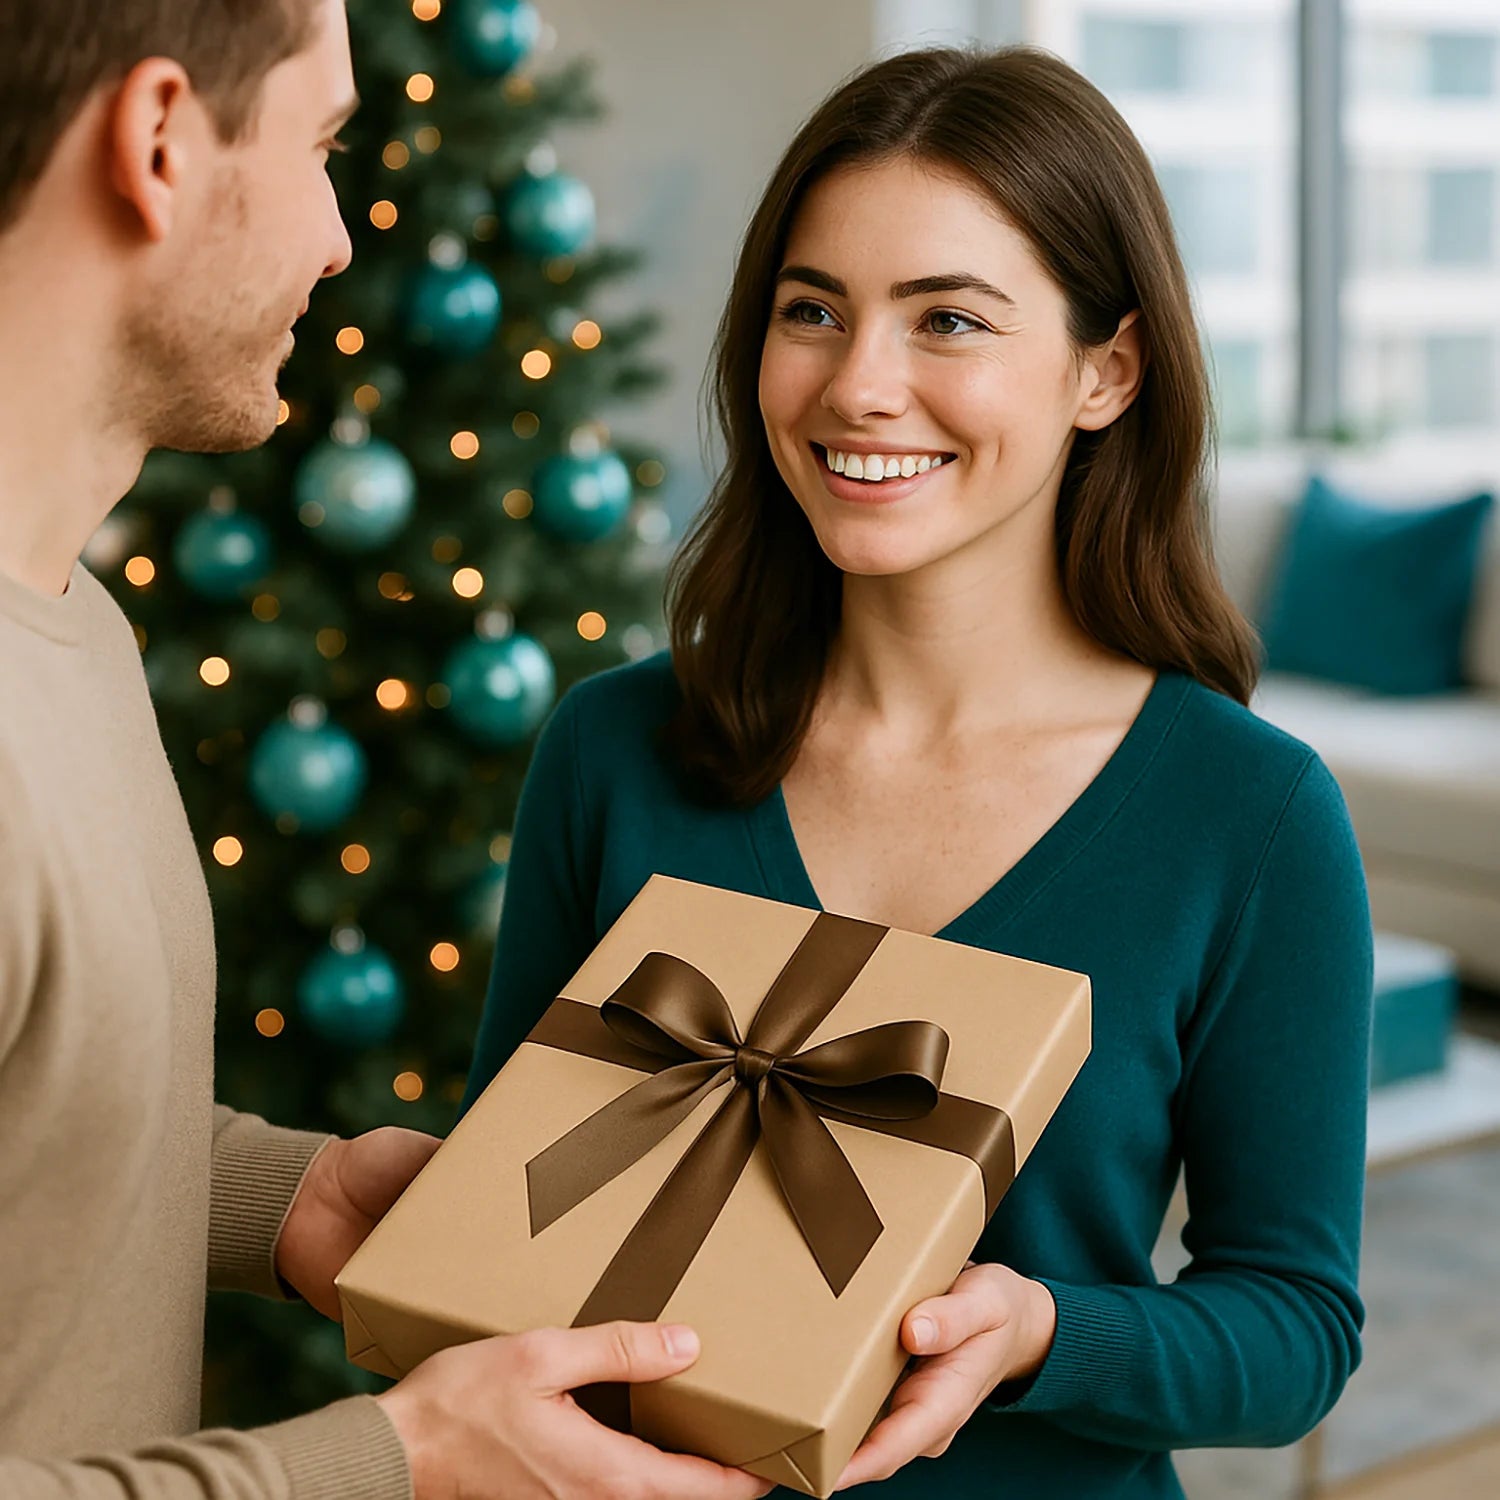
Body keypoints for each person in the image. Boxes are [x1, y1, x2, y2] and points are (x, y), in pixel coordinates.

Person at [466, 44, 1374, 1499]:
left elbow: (1295, 1325)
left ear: (1107, 370)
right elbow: (494, 1222)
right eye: (810, 311)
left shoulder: (1250, 818)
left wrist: (1045, 1332)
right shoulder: (615, 749)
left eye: (947, 319)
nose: (859, 386)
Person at [0, 3, 773, 1498]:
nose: (344, 238)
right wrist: (393, 1461)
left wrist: (280, 1196)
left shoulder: (72, 619)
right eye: (323, 143)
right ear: (156, 142)